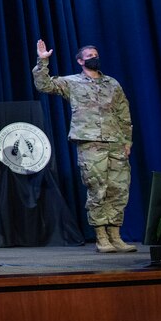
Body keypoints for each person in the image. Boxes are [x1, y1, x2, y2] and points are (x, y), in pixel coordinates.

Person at [34, 40, 135, 253]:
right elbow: (44, 85)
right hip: (90, 143)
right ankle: (101, 237)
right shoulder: (72, 82)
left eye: (95, 54)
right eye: (89, 55)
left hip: (115, 142)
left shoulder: (112, 84)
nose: (93, 58)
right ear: (80, 61)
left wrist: (127, 141)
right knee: (98, 188)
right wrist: (42, 62)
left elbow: (123, 114)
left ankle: (115, 235)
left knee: (119, 189)